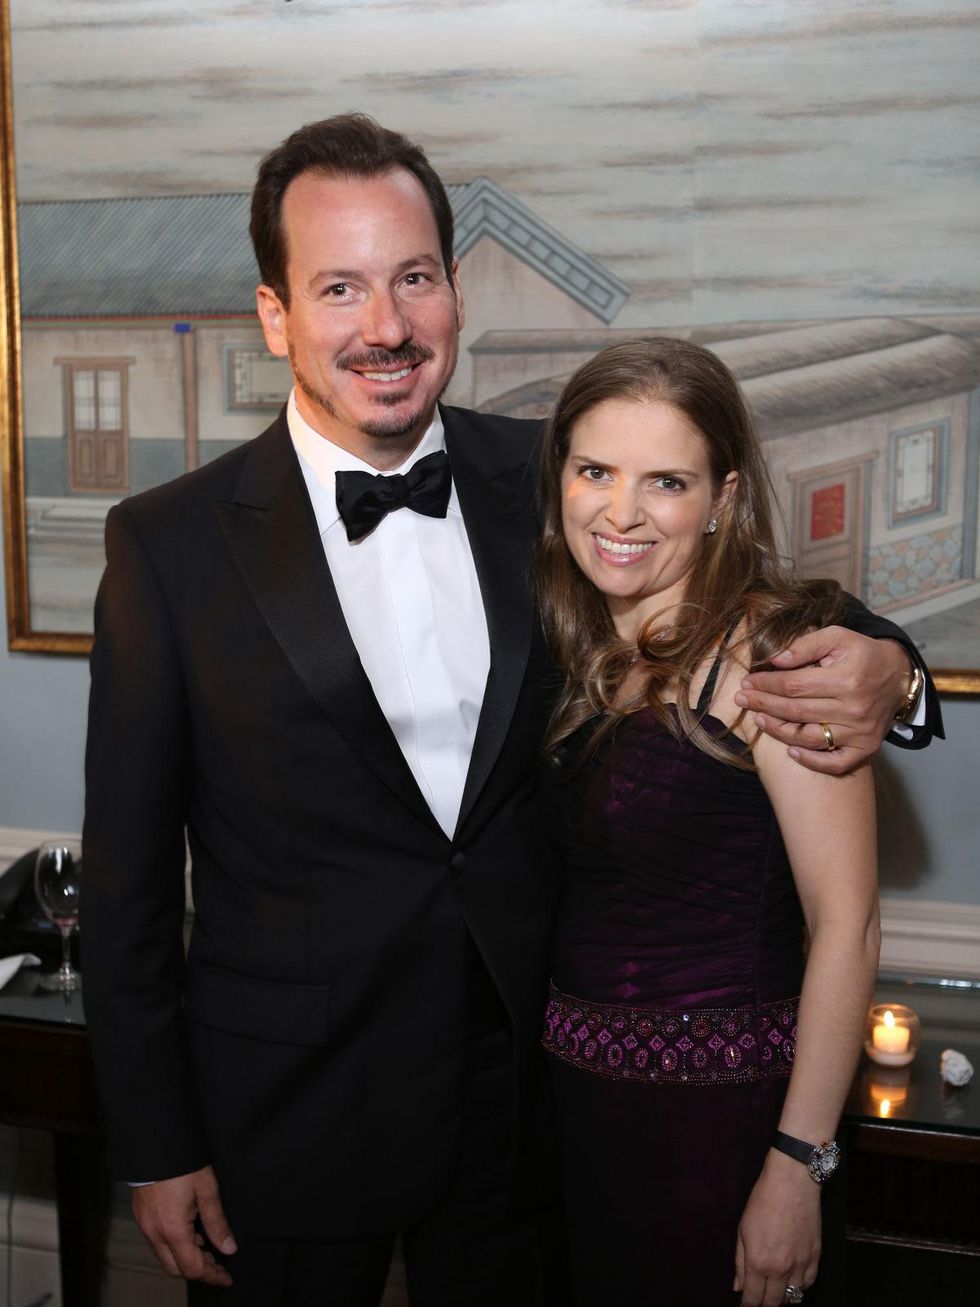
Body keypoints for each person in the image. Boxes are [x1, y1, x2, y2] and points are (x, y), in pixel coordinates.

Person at [81, 116, 936, 1307]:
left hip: (529, 1115)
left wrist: (898, 671)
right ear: (273, 313)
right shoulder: (166, 545)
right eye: (338, 287)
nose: (385, 325)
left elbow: (757, 592)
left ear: (453, 291)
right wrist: (155, 1139)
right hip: (285, 1119)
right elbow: (121, 893)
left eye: (413, 277)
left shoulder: (548, 477)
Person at [537, 337, 900, 1306]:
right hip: (576, 1119)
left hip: (721, 1129)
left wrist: (794, 1160)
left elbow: (847, 924)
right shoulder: (567, 646)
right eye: (593, 471)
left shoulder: (775, 661)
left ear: (722, 497)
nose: (619, 511)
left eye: (664, 480)